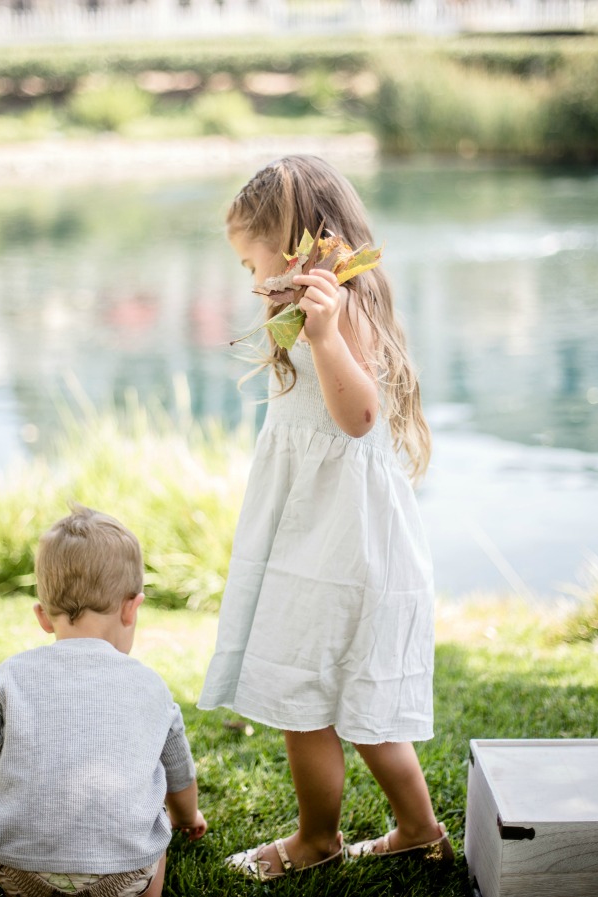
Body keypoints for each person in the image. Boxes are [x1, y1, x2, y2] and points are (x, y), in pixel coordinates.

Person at [198, 155, 452, 880]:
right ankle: (417, 826)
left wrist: (325, 337)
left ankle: (316, 839)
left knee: (305, 696)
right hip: (327, 532)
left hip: (338, 542)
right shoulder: (324, 312)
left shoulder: (339, 315)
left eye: (255, 261)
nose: (251, 282)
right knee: (351, 693)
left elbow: (360, 416)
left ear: (302, 244)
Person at [0, 505, 206, 897]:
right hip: (123, 875)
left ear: (43, 616)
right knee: (154, 821)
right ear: (132, 608)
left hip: (19, 870)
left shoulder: (5, 679)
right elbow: (179, 772)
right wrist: (188, 816)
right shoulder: (152, 686)